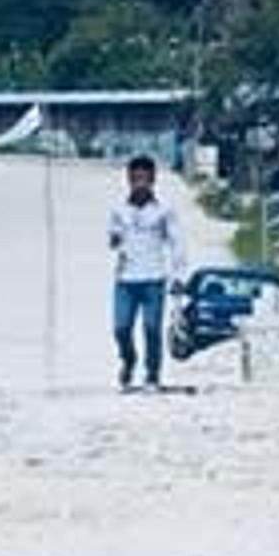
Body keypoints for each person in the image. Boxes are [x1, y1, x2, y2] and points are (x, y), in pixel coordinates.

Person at [106, 153, 183, 390]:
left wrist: (178, 275)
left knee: (151, 328)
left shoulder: (164, 211)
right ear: (128, 180)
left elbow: (177, 243)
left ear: (152, 180)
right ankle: (129, 359)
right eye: (135, 179)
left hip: (153, 278)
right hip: (126, 279)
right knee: (121, 328)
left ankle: (152, 374)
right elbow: (113, 238)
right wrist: (115, 239)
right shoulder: (118, 209)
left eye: (144, 179)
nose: (140, 184)